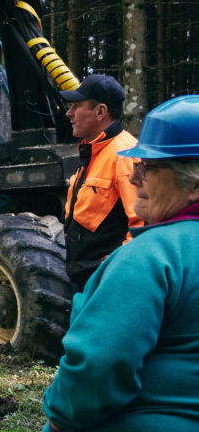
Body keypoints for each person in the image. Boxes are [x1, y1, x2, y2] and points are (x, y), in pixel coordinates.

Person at [41, 95, 199, 432]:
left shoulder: (151, 256)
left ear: (194, 180)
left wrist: (59, 417)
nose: (133, 177)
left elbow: (101, 361)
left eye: (148, 168)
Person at [59, 74, 143, 292]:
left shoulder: (125, 155)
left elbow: (142, 226)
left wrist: (112, 273)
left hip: (106, 283)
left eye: (76, 106)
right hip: (85, 278)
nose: (69, 113)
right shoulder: (94, 150)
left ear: (100, 112)